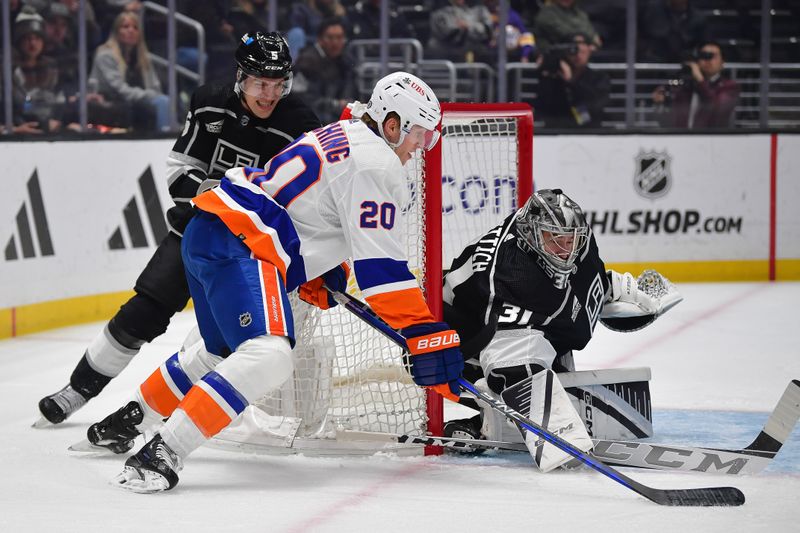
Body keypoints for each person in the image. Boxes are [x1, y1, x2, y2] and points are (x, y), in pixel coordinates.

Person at [84, 71, 464, 493]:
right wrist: (426, 331)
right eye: (420, 136)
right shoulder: (376, 162)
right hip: (242, 245)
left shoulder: (346, 131)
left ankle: (129, 417)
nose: (420, 148)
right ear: (392, 124)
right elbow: (382, 273)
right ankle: (163, 451)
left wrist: (319, 270)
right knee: (270, 356)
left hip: (209, 231)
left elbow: (312, 211)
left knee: (219, 352)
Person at [36, 32, 321, 426]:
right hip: (197, 231)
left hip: (249, 253)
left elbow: (305, 198)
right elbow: (179, 174)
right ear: (241, 78)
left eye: (278, 84)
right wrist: (224, 198)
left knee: (226, 345)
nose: (269, 94)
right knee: (142, 312)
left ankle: (164, 417)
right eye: (260, 83)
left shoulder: (301, 124)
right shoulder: (209, 104)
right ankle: (78, 390)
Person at [441, 189, 681, 471]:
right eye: (554, 241)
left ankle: (496, 420)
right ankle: (488, 419)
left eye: (570, 240)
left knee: (552, 361)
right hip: (455, 347)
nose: (565, 249)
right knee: (521, 372)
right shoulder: (510, 278)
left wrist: (610, 289)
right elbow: (512, 362)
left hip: (510, 329)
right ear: (531, 235)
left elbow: (575, 282)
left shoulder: (562, 240)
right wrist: (560, 438)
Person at [88, 11, 171, 132]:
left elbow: (154, 86)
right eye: (125, 27)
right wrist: (148, 96)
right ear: (117, 32)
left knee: (165, 102)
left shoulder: (142, 57)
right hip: (110, 102)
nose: (131, 30)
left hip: (134, 102)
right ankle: (166, 138)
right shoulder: (105, 54)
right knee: (161, 102)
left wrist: (153, 96)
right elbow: (119, 89)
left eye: (135, 27)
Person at [652, 41, 740, 129]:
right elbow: (670, 121)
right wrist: (660, 105)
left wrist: (700, 80)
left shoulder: (730, 86)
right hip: (683, 138)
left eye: (712, 56)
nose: (707, 61)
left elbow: (717, 109)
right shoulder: (686, 87)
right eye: (703, 56)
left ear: (722, 63)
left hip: (713, 139)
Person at [534, 33, 609, 128]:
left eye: (582, 52)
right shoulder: (555, 77)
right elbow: (544, 110)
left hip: (588, 130)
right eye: (573, 51)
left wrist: (571, 83)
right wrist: (547, 74)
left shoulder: (599, 78)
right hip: (556, 130)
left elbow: (587, 115)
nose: (578, 56)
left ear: (590, 50)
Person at [293, 18, 355, 124]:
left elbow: (351, 92)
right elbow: (304, 99)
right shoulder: (307, 61)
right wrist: (336, 104)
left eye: (339, 37)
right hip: (311, 121)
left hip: (336, 118)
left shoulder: (346, 60)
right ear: (320, 39)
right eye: (330, 38)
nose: (335, 42)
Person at [638, 0, 708, 63]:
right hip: (652, 63)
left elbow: (702, 46)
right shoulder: (650, 10)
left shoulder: (698, 19)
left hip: (684, 65)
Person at [427, 0, 493, 63]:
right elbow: (449, 33)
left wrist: (469, 26)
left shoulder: (478, 9)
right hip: (444, 56)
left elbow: (487, 32)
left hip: (472, 55)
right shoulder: (439, 12)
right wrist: (464, 28)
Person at [533, 0, 601, 53]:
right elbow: (563, 32)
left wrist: (591, 42)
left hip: (581, 54)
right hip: (554, 53)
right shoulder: (546, 13)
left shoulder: (580, 14)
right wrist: (580, 39)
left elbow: (590, 32)